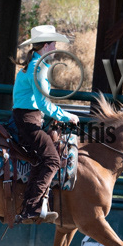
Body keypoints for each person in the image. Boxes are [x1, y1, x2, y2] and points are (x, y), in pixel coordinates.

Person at [12, 24, 78, 224]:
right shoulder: (38, 68)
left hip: (26, 117)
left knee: (42, 157)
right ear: (47, 46)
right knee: (52, 160)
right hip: (29, 120)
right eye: (54, 43)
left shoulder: (32, 65)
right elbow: (42, 103)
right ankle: (31, 208)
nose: (56, 47)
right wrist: (66, 116)